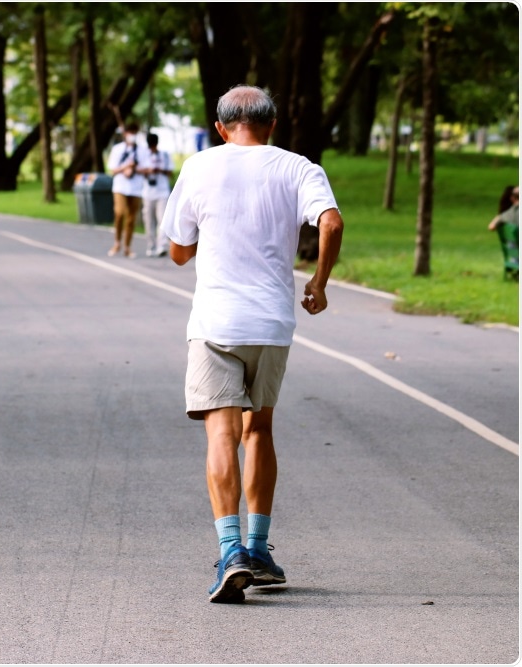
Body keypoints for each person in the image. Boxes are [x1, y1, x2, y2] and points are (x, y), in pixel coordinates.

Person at [159, 85, 344, 604]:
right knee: (257, 429)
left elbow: (177, 252)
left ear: (221, 128)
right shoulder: (298, 167)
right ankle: (259, 550)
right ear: (273, 124)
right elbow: (331, 221)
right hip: (271, 322)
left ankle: (232, 550)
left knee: (221, 432)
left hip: (216, 323)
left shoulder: (199, 167)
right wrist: (319, 283)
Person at [106, 120, 150, 258]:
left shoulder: (142, 150)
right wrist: (125, 167)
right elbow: (113, 170)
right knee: (119, 213)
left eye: (135, 133)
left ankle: (127, 246)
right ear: (125, 134)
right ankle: (117, 242)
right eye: (131, 133)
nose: (133, 135)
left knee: (131, 219)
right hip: (120, 187)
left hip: (136, 188)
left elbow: (147, 169)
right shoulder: (118, 149)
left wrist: (135, 169)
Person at [142, 133, 174, 257]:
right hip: (147, 192)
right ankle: (151, 244)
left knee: (162, 219)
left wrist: (159, 170)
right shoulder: (144, 156)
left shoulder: (165, 155)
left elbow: (170, 172)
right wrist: (148, 171)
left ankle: (162, 245)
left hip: (162, 191)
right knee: (148, 220)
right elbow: (138, 169)